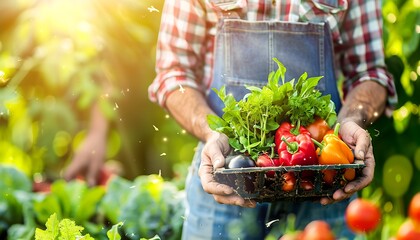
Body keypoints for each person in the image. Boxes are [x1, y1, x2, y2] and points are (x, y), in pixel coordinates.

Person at [148, 0, 397, 239]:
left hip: (326, 177)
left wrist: (352, 121)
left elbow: (369, 73)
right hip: (227, 170)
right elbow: (174, 72)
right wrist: (213, 132)